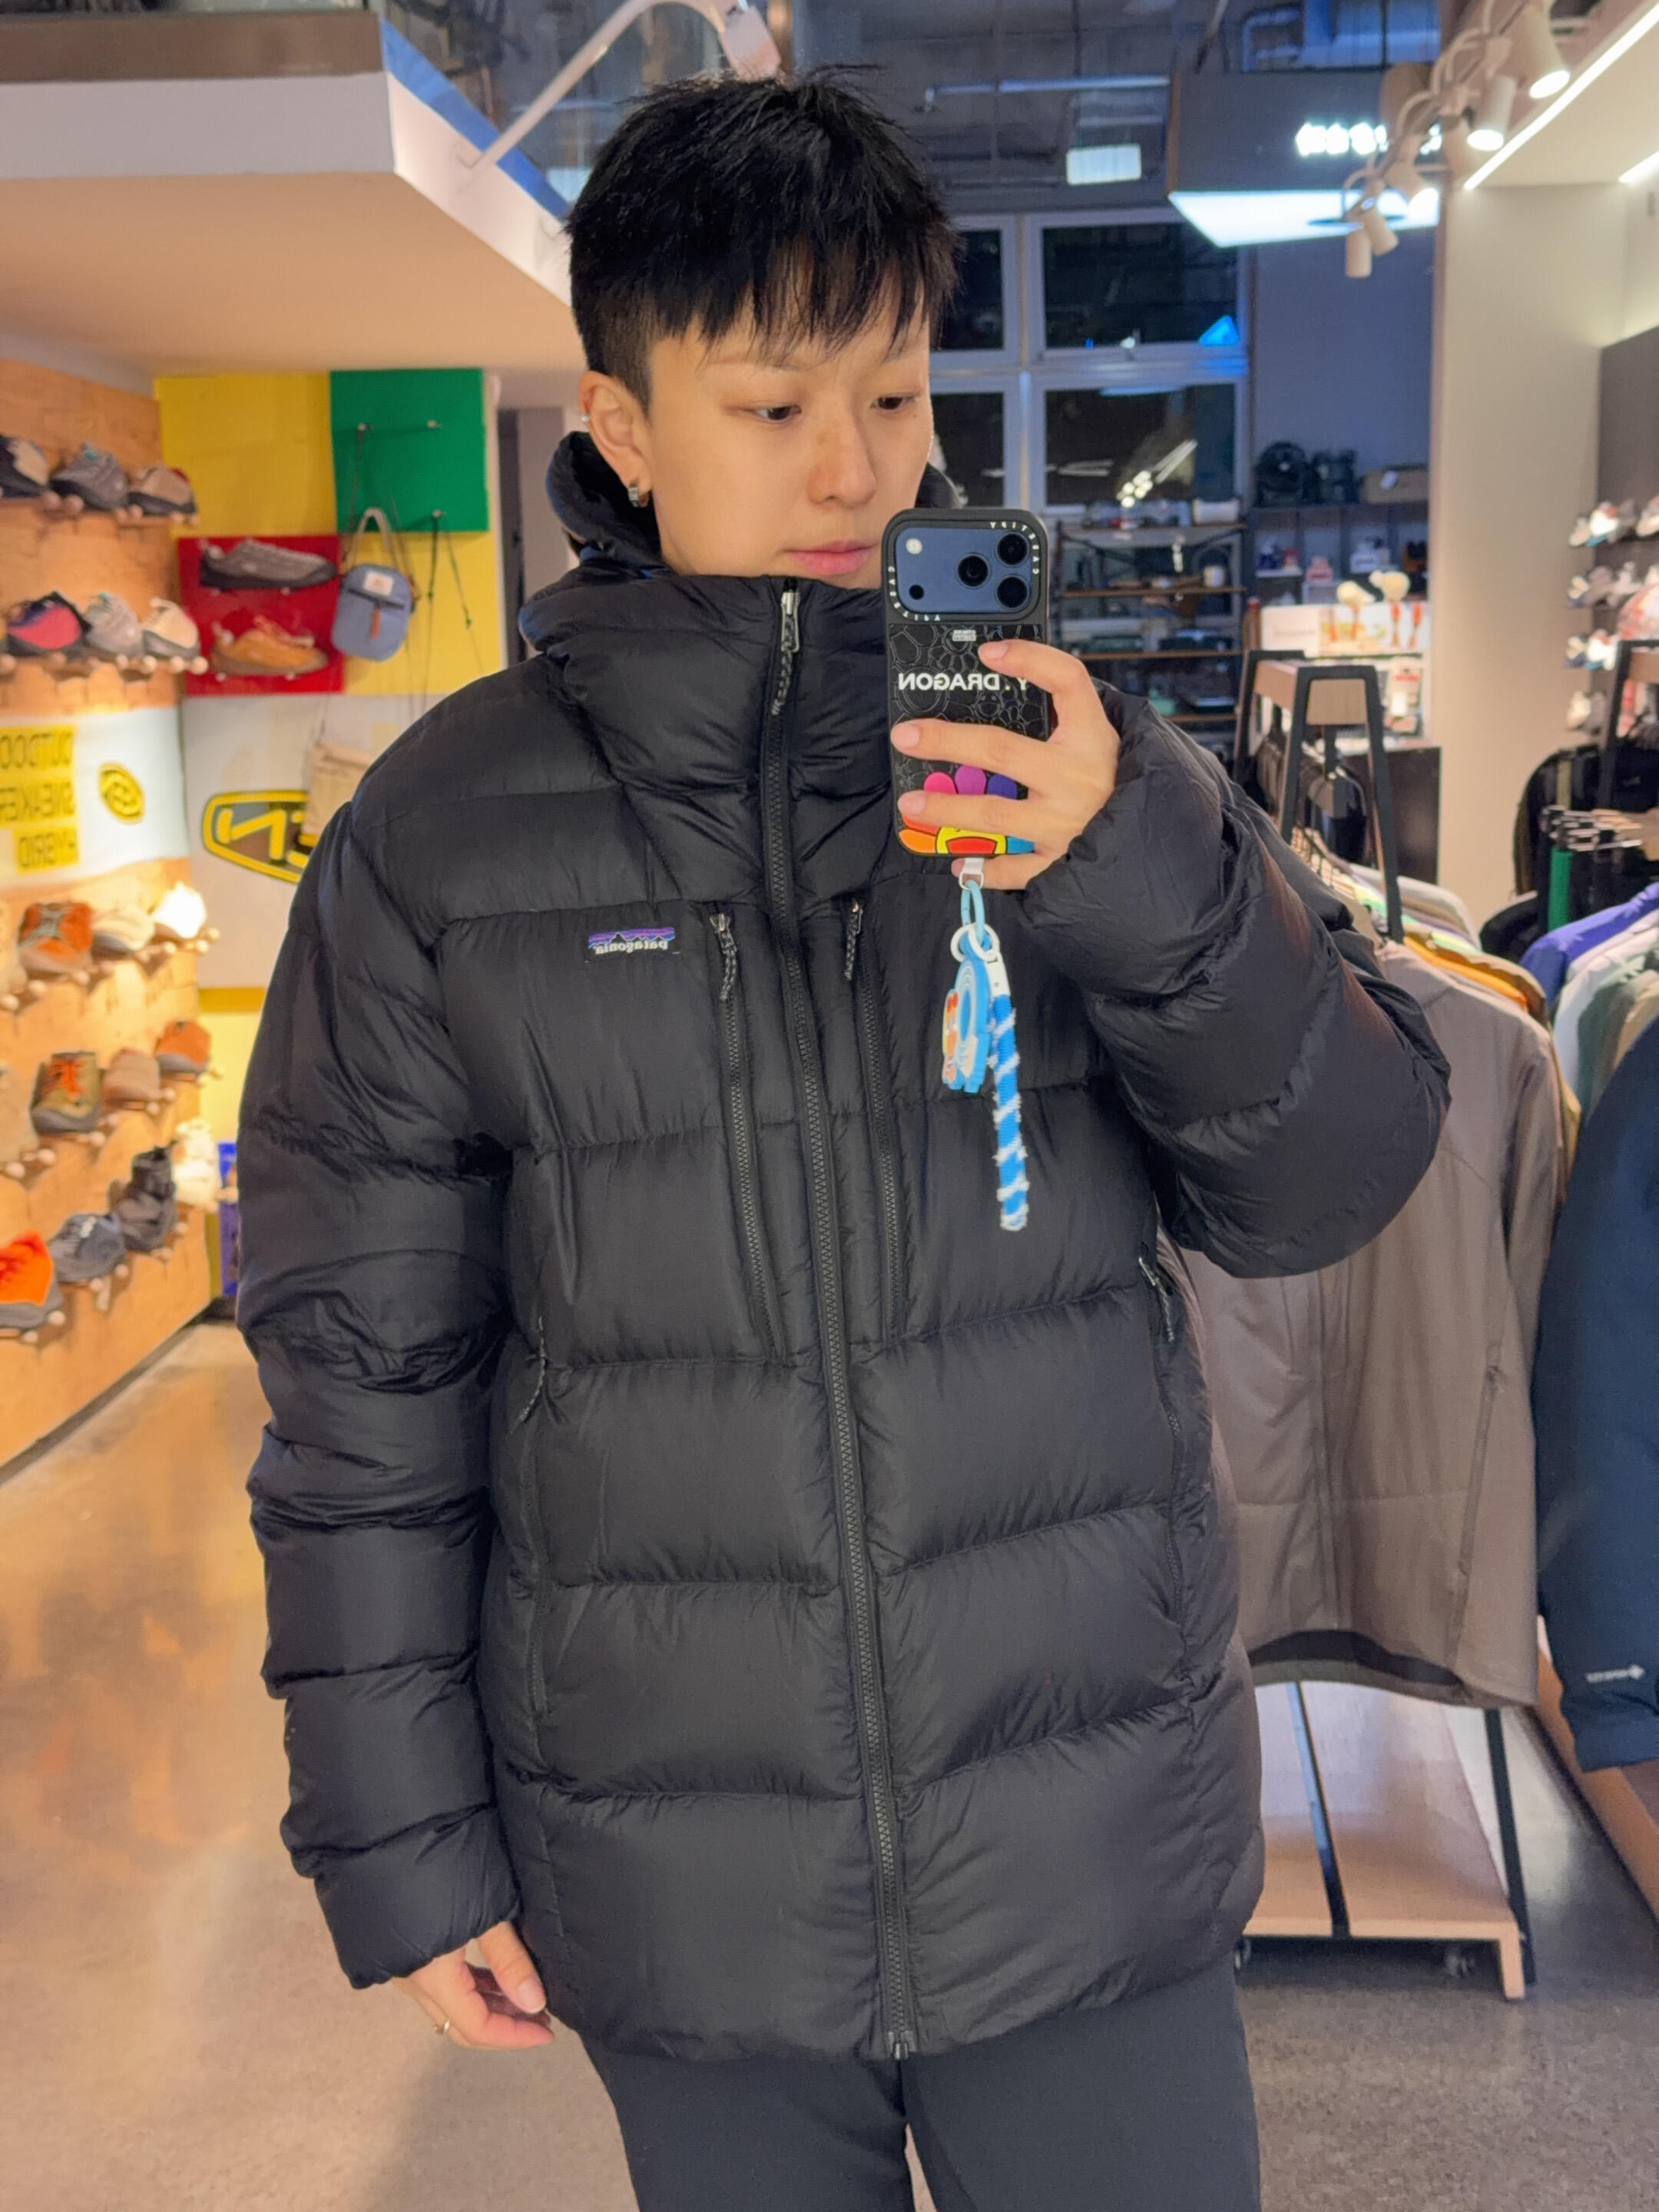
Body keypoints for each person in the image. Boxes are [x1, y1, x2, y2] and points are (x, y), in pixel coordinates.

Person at [237, 73, 1449, 2212]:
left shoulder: (1085, 764)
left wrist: (1136, 866)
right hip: (680, 1875)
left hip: (1081, 1841)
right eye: (773, 404)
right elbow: (365, 1382)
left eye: (893, 395)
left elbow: (1329, 1183)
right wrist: (403, 1844)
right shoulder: (437, 839)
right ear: (619, 422)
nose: (856, 469)